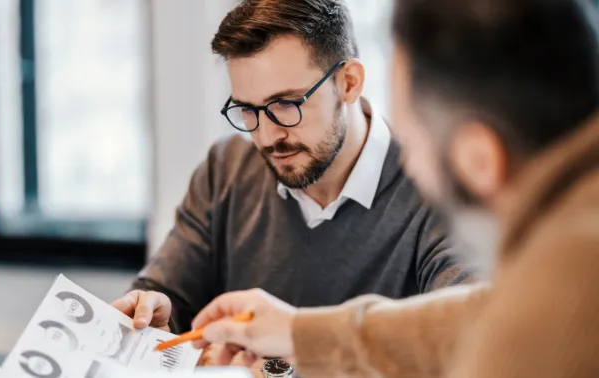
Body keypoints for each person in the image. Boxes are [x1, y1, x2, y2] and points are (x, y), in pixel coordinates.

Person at [190, 0, 599, 377]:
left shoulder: (566, 285)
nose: (407, 167)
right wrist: (298, 333)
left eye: (412, 141)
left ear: (480, 159)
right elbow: (478, 318)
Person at [112, 0, 473, 369]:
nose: (267, 136)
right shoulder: (226, 170)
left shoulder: (437, 189)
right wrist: (153, 312)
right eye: (248, 110)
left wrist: (283, 367)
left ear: (349, 83)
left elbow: (469, 343)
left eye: (285, 104)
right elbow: (167, 293)